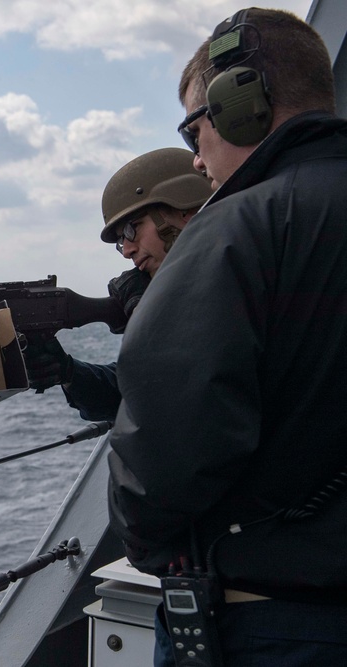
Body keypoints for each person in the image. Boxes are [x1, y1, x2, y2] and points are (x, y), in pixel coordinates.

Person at [106, 8, 347, 666]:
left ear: (242, 105)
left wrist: (151, 543)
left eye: (195, 125)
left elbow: (171, 448)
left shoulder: (238, 225)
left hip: (270, 625)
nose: (194, 153)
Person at [23, 148, 211, 421]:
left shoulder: (233, 282)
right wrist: (68, 373)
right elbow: (128, 392)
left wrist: (148, 315)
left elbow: (183, 388)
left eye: (132, 229)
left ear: (183, 209)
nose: (127, 250)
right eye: (122, 240)